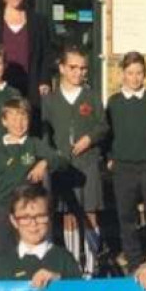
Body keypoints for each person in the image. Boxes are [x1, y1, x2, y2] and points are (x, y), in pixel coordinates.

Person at [42, 46, 108, 278]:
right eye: (73, 68)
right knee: (68, 214)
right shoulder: (50, 100)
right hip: (62, 165)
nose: (78, 73)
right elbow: (45, 133)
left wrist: (89, 139)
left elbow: (103, 126)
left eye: (83, 68)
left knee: (90, 212)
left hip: (87, 163)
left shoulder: (91, 96)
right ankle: (73, 266)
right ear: (61, 68)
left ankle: (91, 265)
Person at [0, 97, 63, 271]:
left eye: (23, 118)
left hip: (26, 209)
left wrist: (43, 163)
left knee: (28, 248)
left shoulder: (33, 144)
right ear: (4, 121)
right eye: (14, 119)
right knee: (1, 250)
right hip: (2, 207)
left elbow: (59, 159)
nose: (19, 124)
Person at [106, 51, 146, 272]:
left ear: (145, 74)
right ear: (123, 74)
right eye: (130, 73)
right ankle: (134, 261)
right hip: (123, 168)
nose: (134, 78)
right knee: (127, 217)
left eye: (139, 73)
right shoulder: (114, 102)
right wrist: (110, 159)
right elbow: (107, 133)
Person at [0, 184, 81, 286]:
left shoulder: (64, 260)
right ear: (14, 221)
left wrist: (58, 281)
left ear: (49, 217)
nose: (33, 224)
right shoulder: (1, 263)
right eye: (25, 218)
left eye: (40, 216)